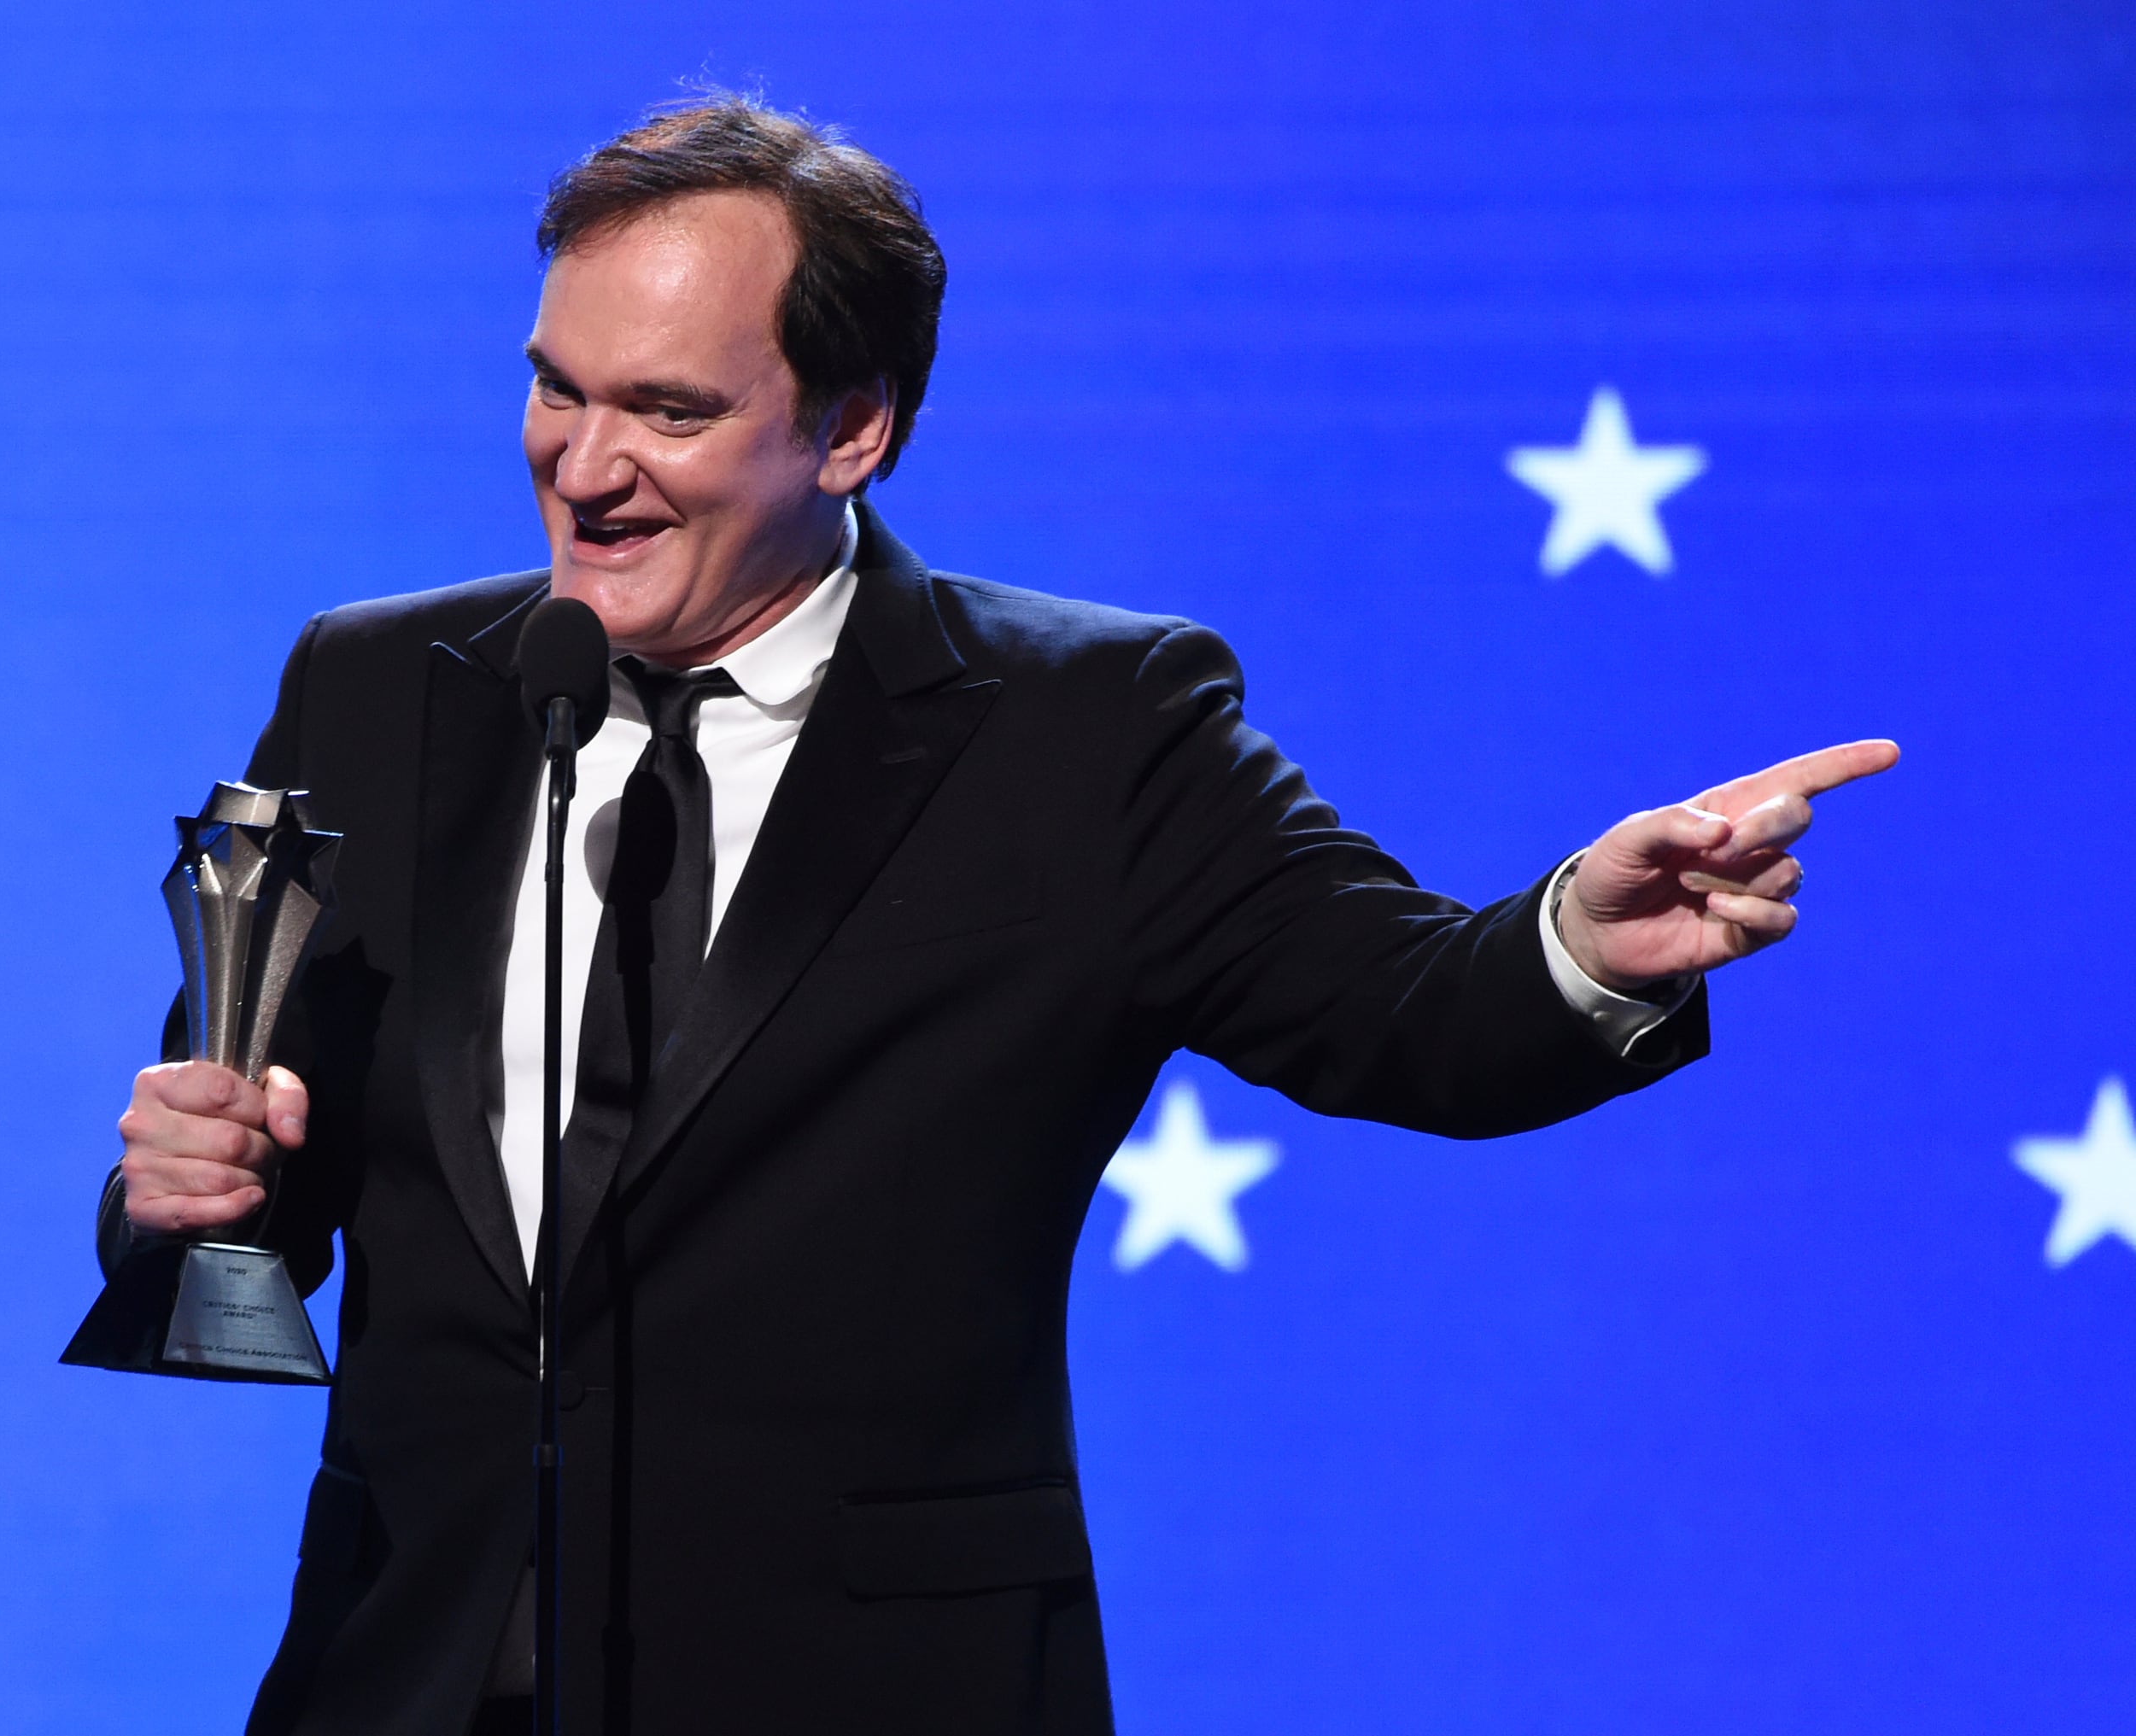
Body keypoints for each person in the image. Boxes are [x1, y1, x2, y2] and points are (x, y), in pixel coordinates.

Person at [99, 97, 1896, 1736]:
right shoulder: (377, 688)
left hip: (875, 1687)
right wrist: (179, 1189)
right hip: (410, 1682)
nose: (582, 465)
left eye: (668, 410)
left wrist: (1583, 941)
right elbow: (257, 1150)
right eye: (557, 389)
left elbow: (1399, 1011)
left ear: (853, 428)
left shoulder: (1086, 729)